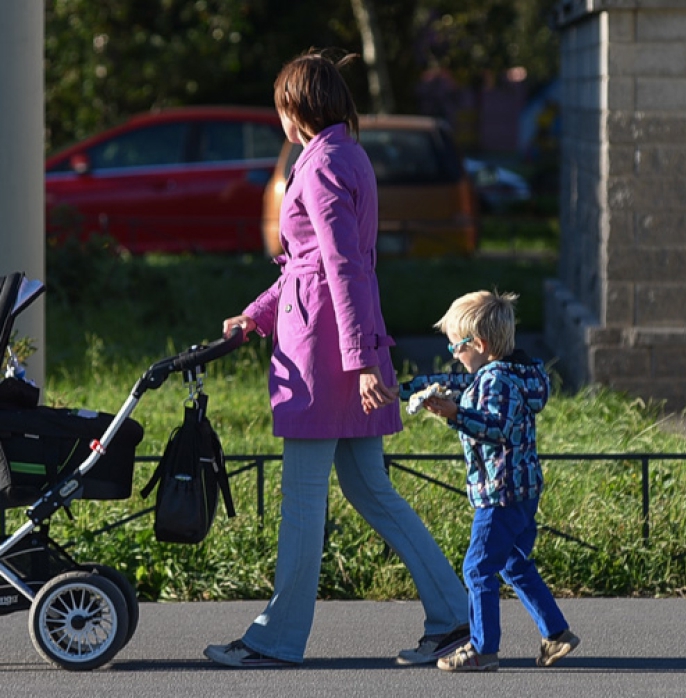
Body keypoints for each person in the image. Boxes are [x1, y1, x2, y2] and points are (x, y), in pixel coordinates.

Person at [203, 48, 469, 669]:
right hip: (345, 345)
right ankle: (455, 616)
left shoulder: (319, 165)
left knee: (302, 497)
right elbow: (314, 266)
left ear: (295, 107)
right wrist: (258, 314)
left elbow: (340, 267)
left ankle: (276, 639)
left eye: (280, 108)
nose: (280, 121)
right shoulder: (345, 155)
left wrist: (359, 361)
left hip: (326, 355)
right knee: (371, 488)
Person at [403, 290, 579, 672]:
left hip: (499, 493)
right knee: (513, 562)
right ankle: (557, 633)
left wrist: (454, 415)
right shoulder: (513, 372)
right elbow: (452, 382)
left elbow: (495, 429)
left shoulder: (493, 380)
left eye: (456, 346)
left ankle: (483, 650)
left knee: (477, 568)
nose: (453, 354)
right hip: (522, 491)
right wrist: (404, 389)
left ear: (479, 344)